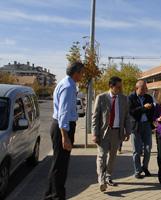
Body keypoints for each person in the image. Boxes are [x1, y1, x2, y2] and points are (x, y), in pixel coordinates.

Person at [44, 62, 83, 200]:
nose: (82, 75)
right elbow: (63, 114)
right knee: (60, 166)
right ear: (76, 73)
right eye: (81, 72)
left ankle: (50, 195)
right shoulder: (68, 87)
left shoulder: (67, 83)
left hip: (61, 127)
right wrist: (65, 136)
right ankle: (56, 196)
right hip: (63, 128)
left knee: (58, 164)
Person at [92, 76, 131, 192]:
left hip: (117, 132)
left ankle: (108, 175)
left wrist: (127, 131)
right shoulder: (101, 98)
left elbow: (126, 117)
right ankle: (101, 180)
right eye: (118, 87)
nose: (120, 89)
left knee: (112, 157)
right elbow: (95, 117)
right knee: (102, 156)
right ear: (111, 86)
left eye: (121, 86)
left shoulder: (124, 99)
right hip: (103, 132)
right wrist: (94, 133)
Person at [128, 80, 155, 179]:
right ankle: (137, 170)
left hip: (147, 125)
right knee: (137, 150)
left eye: (145, 88)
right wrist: (143, 108)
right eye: (143, 89)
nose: (145, 90)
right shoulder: (131, 98)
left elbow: (152, 110)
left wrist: (152, 120)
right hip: (136, 126)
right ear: (137, 88)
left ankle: (145, 167)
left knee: (148, 148)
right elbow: (132, 112)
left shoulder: (148, 97)